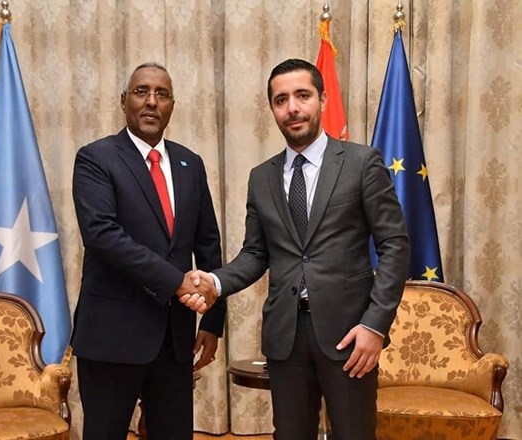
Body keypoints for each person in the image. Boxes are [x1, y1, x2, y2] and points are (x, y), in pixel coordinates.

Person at [190, 59, 410, 440]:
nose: (292, 107)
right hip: (286, 338)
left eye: (302, 96)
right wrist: (214, 282)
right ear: (272, 108)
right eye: (281, 100)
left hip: (349, 335)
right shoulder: (261, 177)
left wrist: (375, 325)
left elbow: (395, 244)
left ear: (322, 100)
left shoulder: (361, 163)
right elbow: (255, 255)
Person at [71, 62, 225, 440]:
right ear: (124, 101)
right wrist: (177, 282)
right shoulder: (96, 158)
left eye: (162, 94)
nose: (152, 101)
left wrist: (212, 321)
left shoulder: (191, 164)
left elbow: (208, 243)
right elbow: (103, 236)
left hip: (175, 340)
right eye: (142, 92)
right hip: (111, 337)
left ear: (172, 105)